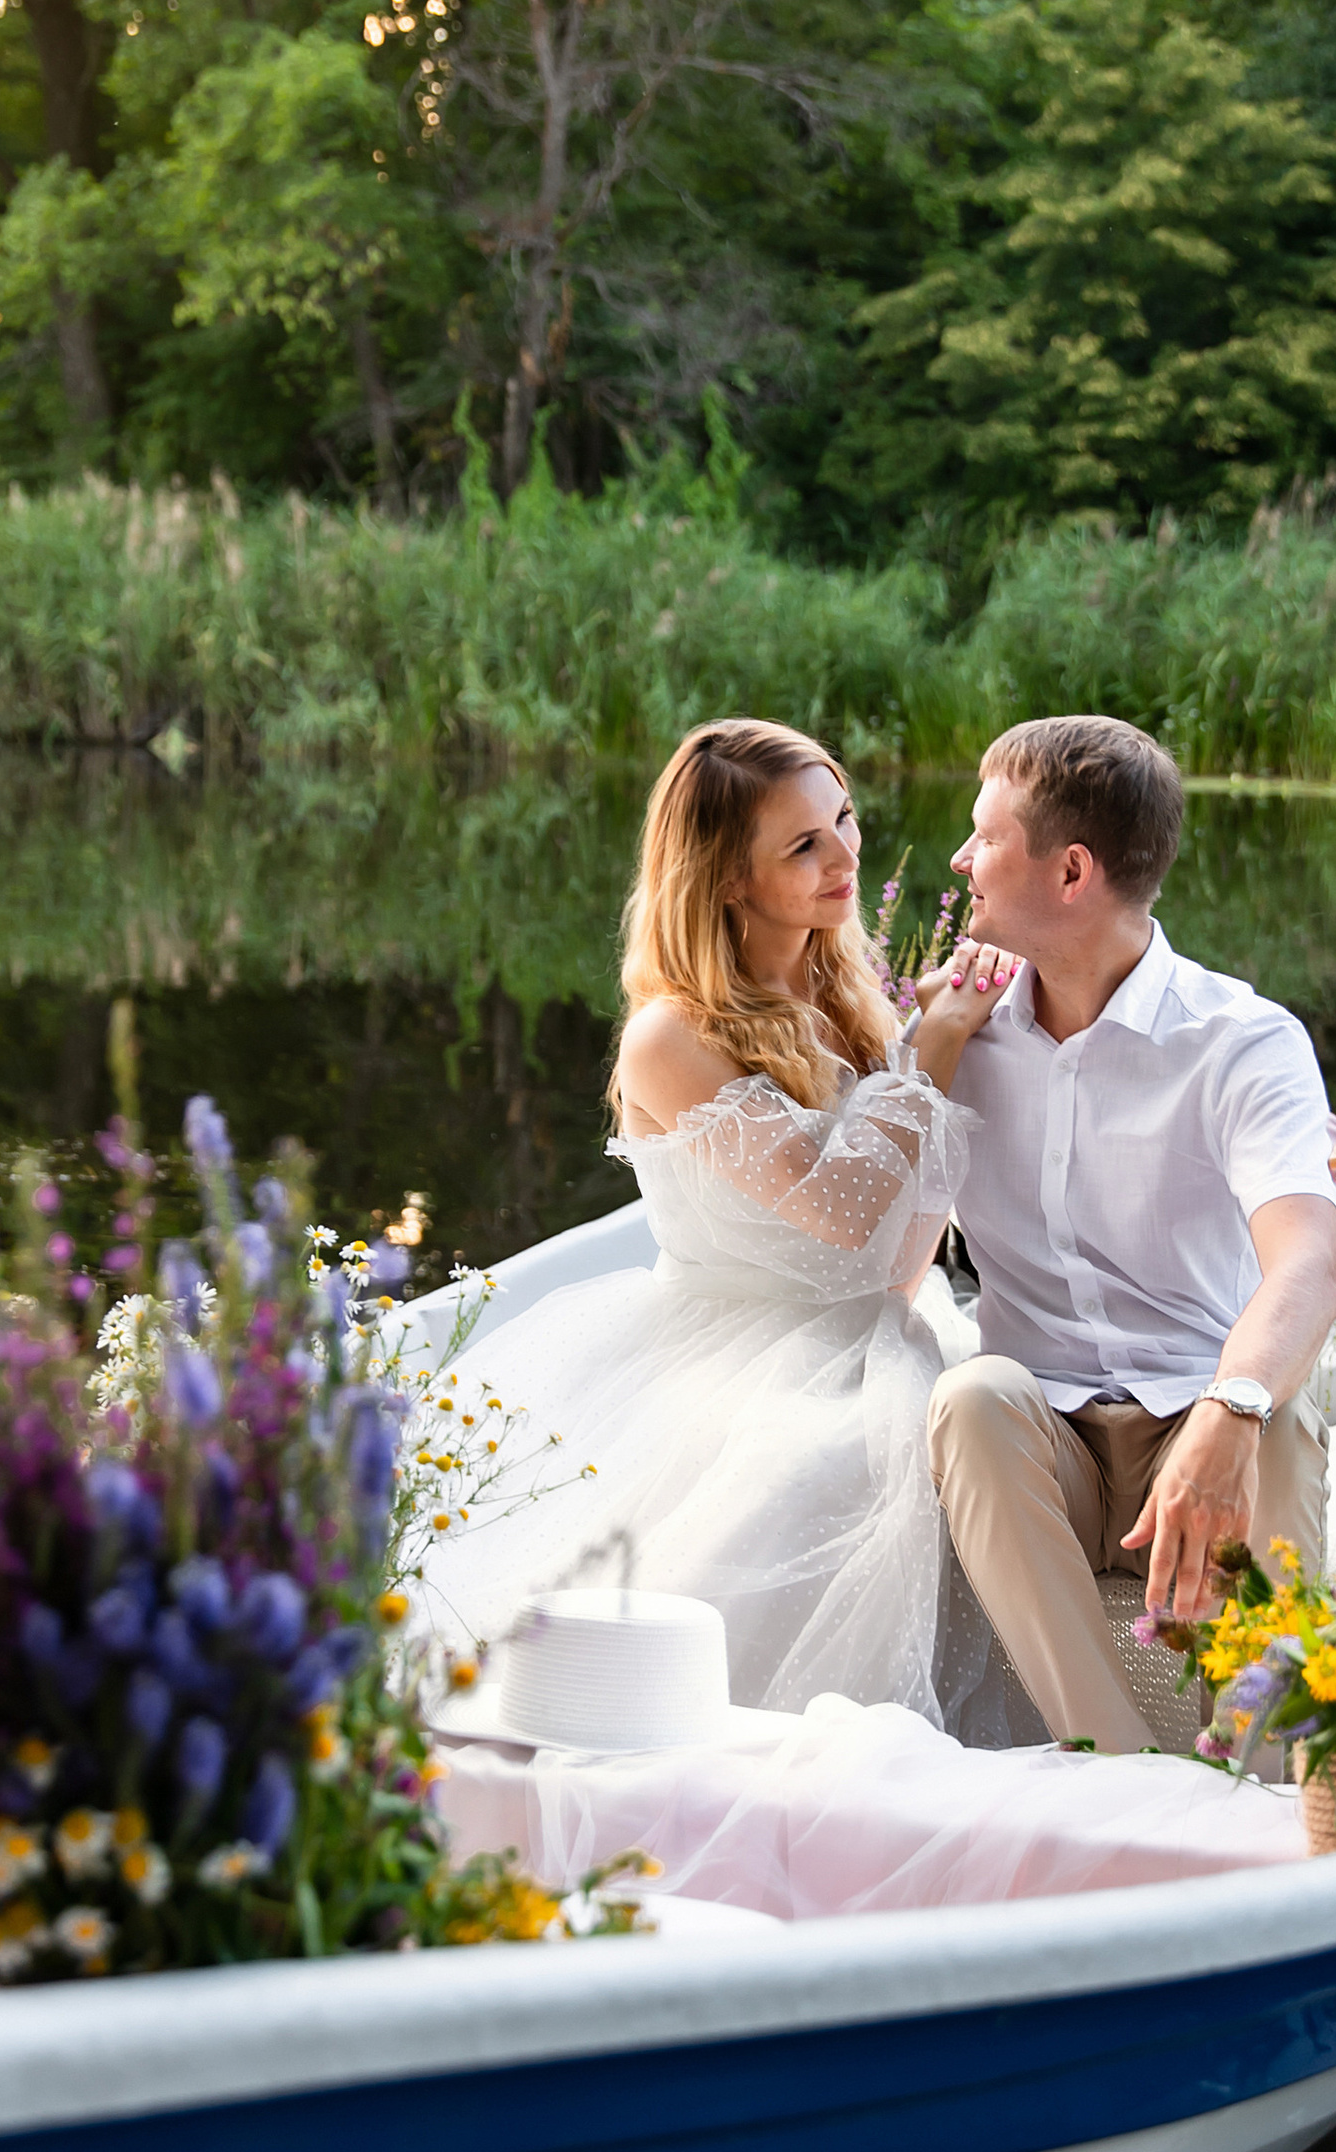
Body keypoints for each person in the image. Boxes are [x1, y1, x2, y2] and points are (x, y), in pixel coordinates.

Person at [419, 718, 1027, 1738]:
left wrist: (924, 1046)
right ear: (727, 881)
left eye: (843, 821)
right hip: (738, 1346)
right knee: (824, 1468)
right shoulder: (672, 1034)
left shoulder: (846, 996)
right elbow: (840, 1219)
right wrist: (933, 1054)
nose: (844, 857)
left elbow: (892, 1266)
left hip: (878, 1330)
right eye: (803, 846)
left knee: (960, 1437)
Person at [922, 713, 1336, 1756]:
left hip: (1188, 1423)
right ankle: (1115, 1766)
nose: (958, 860)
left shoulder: (1241, 1041)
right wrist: (928, 1054)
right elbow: (890, 1251)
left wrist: (1231, 1406)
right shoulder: (951, 1028)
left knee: (1280, 1421)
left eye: (984, 838)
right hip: (1046, 1445)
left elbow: (1308, 1258)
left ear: (1071, 871)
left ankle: (1262, 1757)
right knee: (971, 1397)